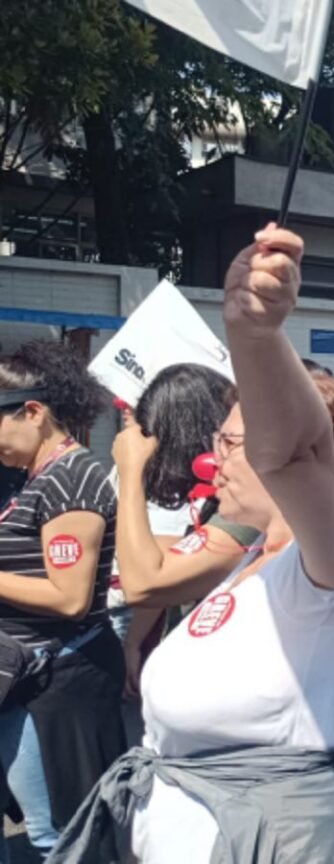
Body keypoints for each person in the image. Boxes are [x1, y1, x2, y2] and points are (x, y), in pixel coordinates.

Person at [50, 225, 334, 862]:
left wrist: (255, 334)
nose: (211, 459)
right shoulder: (250, 549)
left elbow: (295, 448)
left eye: (228, 443)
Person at [0, 340, 125, 861]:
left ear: (33, 411)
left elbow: (69, 596)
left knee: (55, 831)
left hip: (53, 683)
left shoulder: (70, 480)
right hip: (27, 676)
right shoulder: (32, 478)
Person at [109, 364, 260, 699]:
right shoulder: (215, 505)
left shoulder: (246, 511)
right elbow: (172, 554)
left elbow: (145, 583)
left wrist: (131, 470)